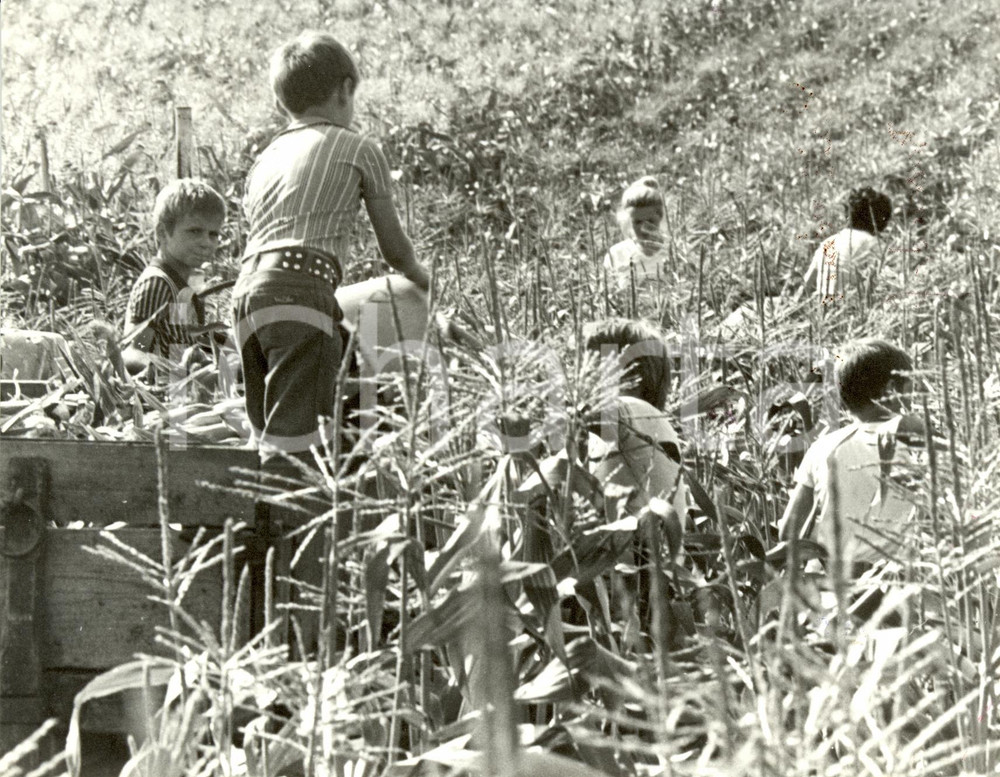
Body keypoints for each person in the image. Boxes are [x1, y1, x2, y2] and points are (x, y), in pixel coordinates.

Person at [233, 31, 431, 463]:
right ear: (344, 90)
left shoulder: (266, 158)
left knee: (278, 422)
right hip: (300, 293)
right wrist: (422, 279)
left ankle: (270, 514)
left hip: (247, 293)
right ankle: (289, 521)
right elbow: (395, 252)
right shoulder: (359, 148)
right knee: (295, 447)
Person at [779, 338, 925, 574]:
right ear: (890, 390)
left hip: (834, 586)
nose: (912, 398)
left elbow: (788, 531)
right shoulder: (917, 442)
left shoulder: (821, 448)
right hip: (896, 588)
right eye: (910, 389)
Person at [583, 319, 690, 529]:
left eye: (593, 362)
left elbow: (581, 417)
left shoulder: (632, 409)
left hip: (643, 558)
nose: (583, 374)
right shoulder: (649, 421)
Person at [123, 179, 227, 378]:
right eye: (195, 231)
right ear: (163, 233)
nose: (206, 242)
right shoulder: (158, 284)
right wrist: (176, 370)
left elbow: (180, 341)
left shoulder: (183, 285)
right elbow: (134, 351)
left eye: (213, 234)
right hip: (159, 396)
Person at [804, 187, 892, 303]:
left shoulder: (829, 242)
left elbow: (806, 285)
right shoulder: (874, 244)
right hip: (852, 310)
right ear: (881, 220)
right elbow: (889, 284)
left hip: (823, 309)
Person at [603, 176, 668, 293]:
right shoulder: (616, 255)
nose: (644, 228)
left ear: (660, 216)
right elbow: (608, 297)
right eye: (637, 222)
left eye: (650, 221)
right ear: (628, 221)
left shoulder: (674, 254)